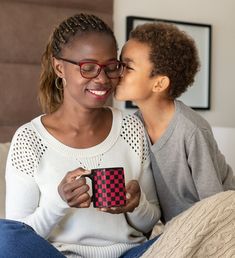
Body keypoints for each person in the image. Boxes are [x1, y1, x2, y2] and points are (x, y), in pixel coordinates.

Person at [0, 13, 160, 258]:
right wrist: (59, 201)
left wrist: (136, 205)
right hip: (60, 256)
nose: (103, 79)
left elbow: (150, 224)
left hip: (129, 255)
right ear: (59, 67)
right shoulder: (29, 139)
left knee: (200, 225)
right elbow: (19, 233)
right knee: (4, 235)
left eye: (111, 67)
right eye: (88, 68)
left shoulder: (131, 127)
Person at [115, 22, 235, 224]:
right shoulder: (132, 126)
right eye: (119, 64)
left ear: (159, 83)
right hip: (173, 229)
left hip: (217, 222)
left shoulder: (192, 130)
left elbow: (215, 205)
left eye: (128, 67)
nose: (118, 72)